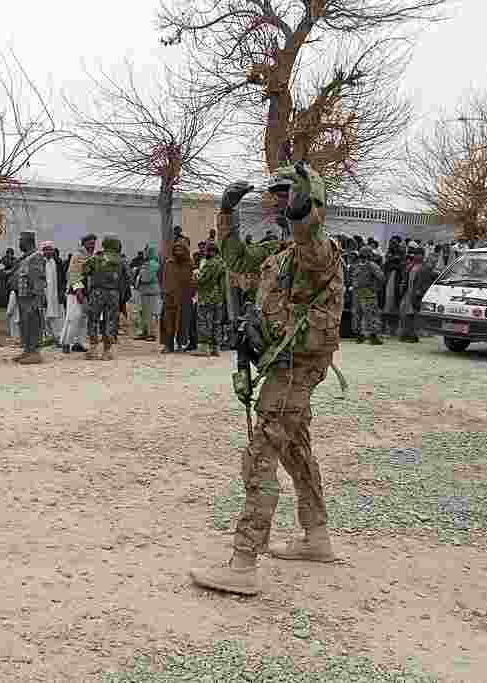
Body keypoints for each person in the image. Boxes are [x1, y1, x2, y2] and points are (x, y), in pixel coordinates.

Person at [191, 162, 344, 596]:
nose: (276, 199)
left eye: (285, 192)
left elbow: (311, 243)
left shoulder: (317, 249)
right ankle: (317, 537)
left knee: (261, 455)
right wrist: (227, 214)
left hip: (296, 366)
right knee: (296, 450)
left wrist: (303, 211)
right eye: (274, 192)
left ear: (307, 197)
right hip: (284, 363)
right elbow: (236, 261)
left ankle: (243, 562)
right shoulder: (278, 255)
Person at [80, 233, 130, 360]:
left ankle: (93, 349)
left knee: (93, 320)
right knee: (111, 321)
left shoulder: (97, 258)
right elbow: (127, 278)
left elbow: (84, 270)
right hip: (114, 294)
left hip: (97, 292)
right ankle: (107, 351)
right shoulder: (122, 260)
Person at [61, 234, 97, 353]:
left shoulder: (91, 256)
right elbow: (74, 276)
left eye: (93, 243)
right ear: (84, 243)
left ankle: (79, 343)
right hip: (76, 292)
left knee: (83, 319)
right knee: (74, 318)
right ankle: (66, 343)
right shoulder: (77, 256)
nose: (92, 245)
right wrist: (79, 294)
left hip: (87, 292)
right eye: (90, 243)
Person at [14, 230, 46, 364]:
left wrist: (37, 300)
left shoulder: (36, 257)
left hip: (31, 298)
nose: (19, 243)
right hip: (23, 297)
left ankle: (34, 353)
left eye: (20, 241)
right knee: (25, 324)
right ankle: (27, 351)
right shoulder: (26, 257)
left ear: (28, 241)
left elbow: (38, 280)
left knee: (33, 324)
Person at [161, 237, 193, 353]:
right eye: (176, 249)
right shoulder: (169, 263)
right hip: (170, 296)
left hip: (184, 297)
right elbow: (164, 278)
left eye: (181, 249)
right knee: (167, 321)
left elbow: (192, 280)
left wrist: (191, 293)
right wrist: (165, 292)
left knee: (183, 322)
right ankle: (167, 344)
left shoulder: (189, 264)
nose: (178, 251)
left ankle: (181, 344)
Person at [194, 241, 226, 356]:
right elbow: (223, 284)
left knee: (203, 322)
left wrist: (196, 275)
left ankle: (204, 348)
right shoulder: (222, 263)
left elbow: (202, 280)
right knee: (216, 323)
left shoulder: (209, 264)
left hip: (206, 297)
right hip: (218, 297)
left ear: (210, 251)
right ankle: (215, 348)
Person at [349, 246, 385, 344]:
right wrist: (376, 288)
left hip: (356, 293)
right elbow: (381, 277)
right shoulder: (372, 265)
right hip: (368, 293)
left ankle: (359, 336)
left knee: (357, 315)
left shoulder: (355, 266)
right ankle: (373, 337)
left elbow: (351, 279)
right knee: (371, 314)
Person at [133, 243, 160, 341]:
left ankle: (152, 333)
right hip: (144, 291)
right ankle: (144, 331)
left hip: (151, 291)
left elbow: (146, 277)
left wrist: (139, 275)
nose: (145, 252)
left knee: (152, 314)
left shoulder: (153, 264)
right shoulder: (147, 263)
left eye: (147, 250)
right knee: (143, 313)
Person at [40, 241, 64, 343]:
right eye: (46, 249)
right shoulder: (40, 263)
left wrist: (61, 292)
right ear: (42, 251)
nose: (48, 251)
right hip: (44, 294)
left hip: (55, 294)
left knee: (57, 316)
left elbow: (63, 279)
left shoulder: (58, 263)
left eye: (50, 249)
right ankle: (47, 337)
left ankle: (58, 337)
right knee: (44, 316)